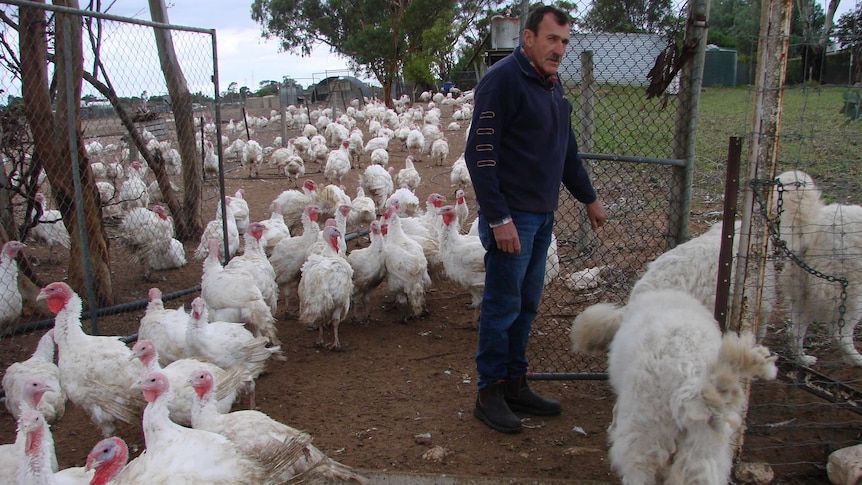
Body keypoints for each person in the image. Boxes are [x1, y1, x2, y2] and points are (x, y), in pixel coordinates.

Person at [464, 4, 607, 434]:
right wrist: (499, 218)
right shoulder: (502, 81)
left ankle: (515, 384)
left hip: (542, 216)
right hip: (514, 218)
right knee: (502, 305)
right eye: (552, 39)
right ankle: (489, 393)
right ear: (528, 39)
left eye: (565, 41)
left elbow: (566, 150)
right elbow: (480, 154)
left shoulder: (551, 85)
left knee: (526, 306)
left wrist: (588, 198)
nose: (559, 49)